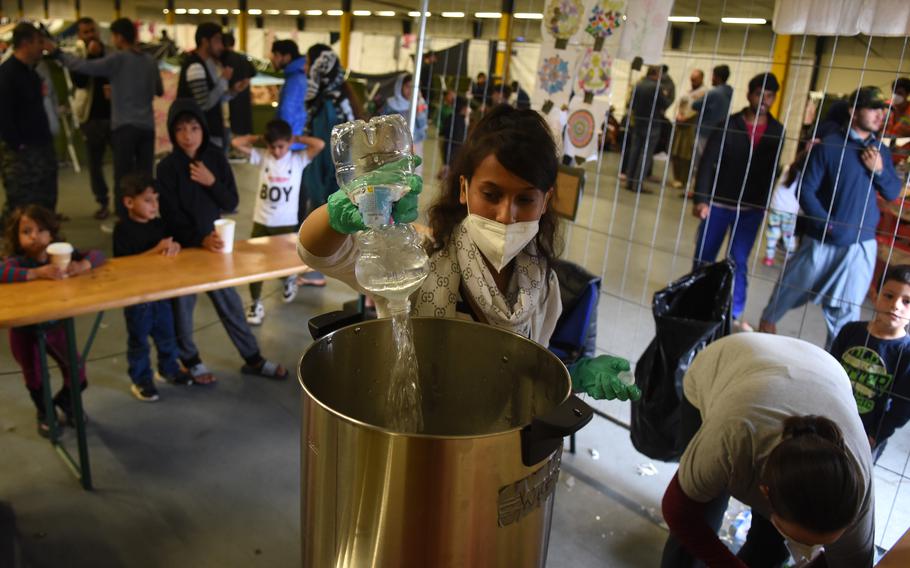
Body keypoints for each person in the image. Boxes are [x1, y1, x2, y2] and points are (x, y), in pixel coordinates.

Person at [297, 105, 641, 402]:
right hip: (420, 439)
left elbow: (528, 368)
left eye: (525, 199)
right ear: (464, 189)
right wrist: (342, 210)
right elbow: (317, 253)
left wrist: (573, 375)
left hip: (497, 444)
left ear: (546, 201)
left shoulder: (543, 285)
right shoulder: (417, 262)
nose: (507, 216)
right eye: (491, 195)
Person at [661, 333, 874, 568]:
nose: (806, 551)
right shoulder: (732, 438)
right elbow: (679, 511)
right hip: (729, 362)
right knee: (703, 516)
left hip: (820, 370)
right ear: (765, 492)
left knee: (770, 547)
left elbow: (850, 566)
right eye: (801, 541)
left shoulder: (857, 488)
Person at [759, 86, 903, 347]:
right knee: (790, 288)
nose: (880, 115)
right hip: (821, 241)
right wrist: (827, 224)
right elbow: (806, 191)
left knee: (847, 309)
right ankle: (764, 329)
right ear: (853, 111)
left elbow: (892, 191)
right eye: (873, 108)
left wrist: (879, 171)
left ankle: (836, 357)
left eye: (884, 110)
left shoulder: (880, 152)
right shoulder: (828, 147)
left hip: (859, 246)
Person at [156, 99, 288, 384]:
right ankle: (191, 361)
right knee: (182, 307)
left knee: (229, 302)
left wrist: (210, 181)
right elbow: (170, 215)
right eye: (180, 129)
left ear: (203, 129)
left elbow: (231, 201)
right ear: (172, 132)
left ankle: (252, 358)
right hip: (183, 248)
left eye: (193, 127)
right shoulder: (167, 168)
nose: (187, 135)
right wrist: (197, 239)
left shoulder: (214, 158)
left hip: (215, 244)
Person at [2, 205, 104, 436]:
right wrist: (35, 273)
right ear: (16, 237)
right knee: (35, 375)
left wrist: (82, 265)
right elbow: (2, 272)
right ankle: (44, 410)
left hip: (56, 326)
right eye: (26, 231)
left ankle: (65, 402)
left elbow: (98, 255)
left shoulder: (60, 256)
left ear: (52, 234)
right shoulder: (16, 262)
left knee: (77, 369)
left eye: (41, 230)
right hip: (24, 332)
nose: (34, 236)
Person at [692, 73, 784, 330]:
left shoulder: (778, 131)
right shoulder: (727, 124)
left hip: (751, 210)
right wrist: (702, 199)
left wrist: (765, 202)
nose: (763, 100)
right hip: (718, 204)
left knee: (738, 260)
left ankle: (734, 311)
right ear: (749, 95)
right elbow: (707, 163)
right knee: (704, 256)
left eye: (769, 96)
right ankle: (695, 300)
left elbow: (772, 169)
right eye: (759, 94)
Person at [52, 18, 164, 221]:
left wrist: (57, 53)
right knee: (146, 174)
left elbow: (84, 67)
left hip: (124, 126)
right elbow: (159, 90)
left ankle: (124, 218)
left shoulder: (118, 59)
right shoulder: (149, 60)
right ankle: (149, 216)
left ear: (119, 37)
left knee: (123, 176)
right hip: (147, 127)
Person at [230, 119, 324, 325]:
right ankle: (255, 303)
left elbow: (319, 144)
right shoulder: (263, 157)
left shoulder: (297, 160)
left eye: (281, 146)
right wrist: (260, 139)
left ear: (289, 143)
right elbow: (236, 143)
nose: (277, 151)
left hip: (285, 223)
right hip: (261, 221)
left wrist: (296, 139)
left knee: (284, 262)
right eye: (272, 146)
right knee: (255, 265)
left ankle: (289, 279)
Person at [113, 173, 194, 402]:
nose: (154, 206)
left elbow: (170, 247)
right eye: (148, 200)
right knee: (139, 340)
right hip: (137, 299)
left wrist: (173, 247)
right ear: (129, 202)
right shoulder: (123, 229)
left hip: (161, 293)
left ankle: (168, 368)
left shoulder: (159, 224)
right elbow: (125, 265)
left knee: (167, 334)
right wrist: (157, 249)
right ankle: (141, 379)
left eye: (156, 200)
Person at [829, 264, 910, 463]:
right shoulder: (850, 331)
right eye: (889, 296)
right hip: (830, 416)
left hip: (866, 434)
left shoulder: (906, 353)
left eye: (907, 301)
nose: (896, 305)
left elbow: (903, 407)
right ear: (875, 295)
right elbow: (829, 371)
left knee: (853, 477)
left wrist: (877, 434)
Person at [299, 44, 357, 289]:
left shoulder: (326, 104)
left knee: (321, 224)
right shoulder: (341, 98)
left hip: (327, 178)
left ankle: (315, 273)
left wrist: (318, 186)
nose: (305, 68)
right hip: (339, 176)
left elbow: (325, 149)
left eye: (308, 62)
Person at [0, 23, 58, 223]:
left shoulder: (32, 73)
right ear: (25, 43)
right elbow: (4, 115)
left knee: (45, 201)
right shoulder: (7, 74)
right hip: (21, 156)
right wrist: (18, 145)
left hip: (41, 147)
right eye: (38, 42)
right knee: (21, 206)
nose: (42, 47)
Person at [177, 23, 248, 149]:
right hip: (199, 138)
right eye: (218, 40)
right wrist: (223, 80)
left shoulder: (207, 64)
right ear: (205, 41)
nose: (221, 46)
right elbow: (204, 104)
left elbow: (215, 99)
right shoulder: (195, 66)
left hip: (209, 133)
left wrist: (233, 91)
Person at [70, 17, 113, 220]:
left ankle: (126, 202)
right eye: (85, 32)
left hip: (114, 117)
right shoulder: (77, 56)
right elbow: (78, 82)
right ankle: (102, 201)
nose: (90, 35)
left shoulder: (111, 52)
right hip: (91, 118)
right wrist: (89, 57)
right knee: (95, 164)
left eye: (92, 31)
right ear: (80, 35)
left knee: (122, 163)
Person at [625, 65, 671, 194]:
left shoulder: (638, 85)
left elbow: (631, 104)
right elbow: (665, 104)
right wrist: (666, 95)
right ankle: (637, 184)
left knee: (634, 151)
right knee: (645, 154)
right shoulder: (658, 88)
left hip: (638, 122)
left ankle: (629, 181)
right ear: (657, 74)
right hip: (652, 124)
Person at [763, 146, 811, 266]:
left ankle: (769, 258)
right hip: (790, 211)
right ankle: (789, 259)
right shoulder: (806, 178)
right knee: (788, 236)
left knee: (772, 234)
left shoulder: (786, 168)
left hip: (776, 207)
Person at [670, 69, 706, 190]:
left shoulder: (704, 92)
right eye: (691, 79)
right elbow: (680, 104)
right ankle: (677, 178)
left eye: (695, 79)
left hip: (691, 126)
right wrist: (678, 114)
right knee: (676, 152)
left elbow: (696, 109)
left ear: (701, 79)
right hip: (680, 125)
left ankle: (684, 179)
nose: (692, 81)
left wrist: (686, 117)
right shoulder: (688, 92)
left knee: (686, 154)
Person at [270, 39, 308, 152]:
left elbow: (287, 112)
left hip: (291, 143)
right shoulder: (300, 76)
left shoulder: (294, 81)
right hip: (298, 140)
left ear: (287, 57)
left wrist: (281, 140)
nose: (272, 59)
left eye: (276, 55)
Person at [380, 73, 428, 161]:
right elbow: (381, 124)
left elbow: (422, 125)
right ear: (400, 86)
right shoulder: (390, 104)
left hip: (415, 144)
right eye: (407, 86)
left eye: (414, 87)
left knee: (414, 170)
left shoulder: (420, 104)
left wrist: (419, 110)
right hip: (394, 145)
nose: (411, 90)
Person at [221, 33, 256, 146]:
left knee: (231, 124)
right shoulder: (243, 57)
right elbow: (253, 72)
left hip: (229, 97)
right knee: (243, 124)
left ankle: (233, 147)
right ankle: (242, 148)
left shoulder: (224, 58)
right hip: (244, 97)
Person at [691, 64, 733, 158]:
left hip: (704, 132)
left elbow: (694, 105)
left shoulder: (714, 93)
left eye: (713, 75)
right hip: (717, 132)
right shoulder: (728, 92)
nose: (711, 78)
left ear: (717, 77)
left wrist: (696, 97)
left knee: (699, 162)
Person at [439, 94, 469, 181]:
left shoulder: (451, 117)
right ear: (463, 108)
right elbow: (460, 138)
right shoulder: (460, 121)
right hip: (455, 152)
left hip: (449, 149)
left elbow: (443, 132)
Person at [885, 77, 910, 166]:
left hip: (902, 160)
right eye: (894, 92)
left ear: (907, 94)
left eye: (899, 93)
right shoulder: (885, 107)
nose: (895, 95)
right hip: (880, 153)